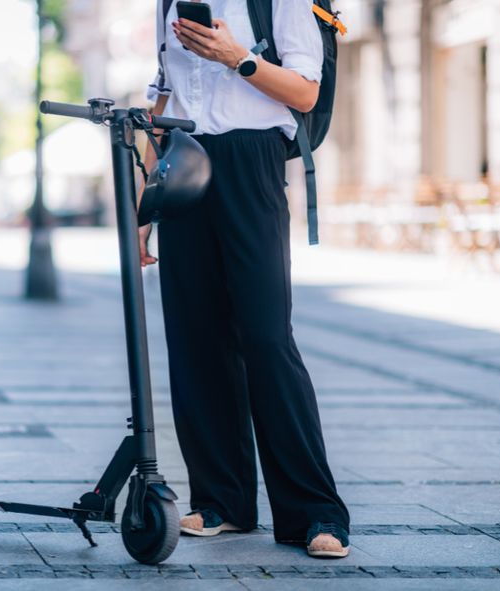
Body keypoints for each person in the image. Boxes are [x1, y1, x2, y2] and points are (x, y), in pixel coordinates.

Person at [140, 0, 351, 558]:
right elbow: (162, 97)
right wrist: (146, 200)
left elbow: (306, 92)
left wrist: (238, 58)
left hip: (251, 160)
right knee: (195, 341)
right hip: (183, 162)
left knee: (265, 338)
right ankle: (221, 502)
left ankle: (316, 511)